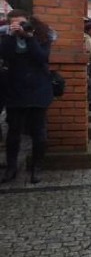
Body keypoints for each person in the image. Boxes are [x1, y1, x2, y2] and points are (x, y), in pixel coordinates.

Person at [0, 10, 54, 183]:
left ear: (28, 21)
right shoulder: (6, 37)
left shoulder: (42, 35)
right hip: (15, 89)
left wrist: (29, 36)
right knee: (13, 132)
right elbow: (5, 55)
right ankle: (11, 168)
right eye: (15, 23)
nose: (19, 26)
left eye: (21, 22)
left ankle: (37, 167)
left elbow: (42, 57)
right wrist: (11, 35)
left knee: (39, 132)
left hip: (38, 89)